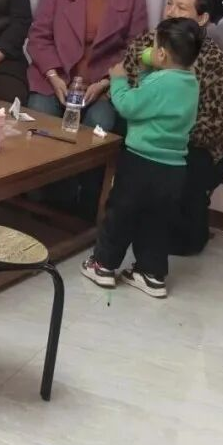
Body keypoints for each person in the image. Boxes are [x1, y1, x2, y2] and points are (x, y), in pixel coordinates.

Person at [82, 18, 203, 298]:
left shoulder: (161, 82)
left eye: (155, 46)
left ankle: (103, 265)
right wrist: (148, 70)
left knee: (121, 214)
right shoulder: (190, 82)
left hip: (141, 162)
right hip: (174, 168)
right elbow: (157, 99)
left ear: (161, 54)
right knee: (156, 222)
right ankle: (152, 274)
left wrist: (118, 80)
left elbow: (129, 105)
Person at [123, 0, 223, 255]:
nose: (170, 12)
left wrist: (171, 134)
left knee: (184, 222)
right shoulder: (148, 42)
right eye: (169, 3)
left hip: (197, 142)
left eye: (181, 7)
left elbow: (218, 122)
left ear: (202, 18)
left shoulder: (214, 60)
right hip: (150, 131)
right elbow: (127, 87)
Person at [27, 0, 148, 130]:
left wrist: (105, 83)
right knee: (40, 120)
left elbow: (135, 51)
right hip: (53, 79)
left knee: (100, 125)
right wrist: (53, 76)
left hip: (101, 87)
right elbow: (39, 36)